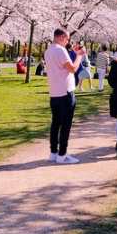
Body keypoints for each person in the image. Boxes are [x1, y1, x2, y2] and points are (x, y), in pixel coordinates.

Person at [44, 29, 86, 164]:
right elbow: (73, 68)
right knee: (66, 125)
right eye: (67, 39)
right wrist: (80, 55)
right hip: (65, 92)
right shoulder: (60, 51)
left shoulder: (48, 50)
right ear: (62, 37)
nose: (68, 42)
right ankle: (62, 154)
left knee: (55, 123)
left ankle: (53, 152)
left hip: (54, 92)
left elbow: (62, 64)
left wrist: (74, 52)